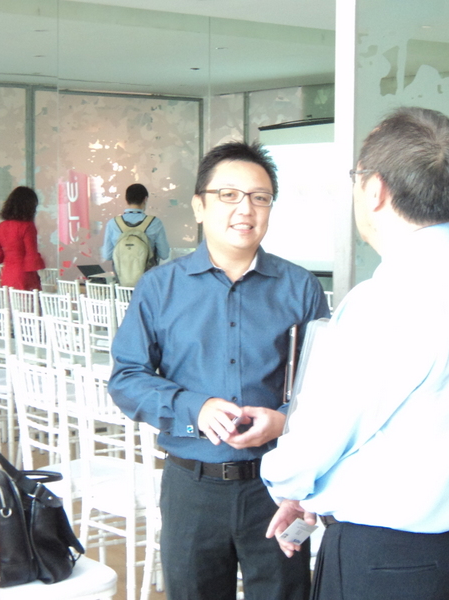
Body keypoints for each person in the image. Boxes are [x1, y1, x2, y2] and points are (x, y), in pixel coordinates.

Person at [261, 107, 449, 600]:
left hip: (385, 560)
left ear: (374, 189)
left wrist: (289, 483)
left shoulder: (389, 298)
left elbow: (321, 433)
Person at [108, 141, 331, 600]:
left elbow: (327, 388)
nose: (245, 209)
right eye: (228, 195)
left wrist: (285, 420)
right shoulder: (159, 288)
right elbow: (126, 377)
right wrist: (196, 407)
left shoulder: (300, 287)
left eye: (260, 197)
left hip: (275, 487)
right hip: (191, 488)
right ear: (199, 205)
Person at [101, 183, 169, 277]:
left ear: (126, 199)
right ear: (145, 199)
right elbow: (164, 254)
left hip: (122, 281)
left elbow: (107, 255)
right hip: (148, 279)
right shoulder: (155, 223)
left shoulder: (113, 223)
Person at [0, 185, 46, 290]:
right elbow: (31, 254)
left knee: (9, 300)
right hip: (24, 274)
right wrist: (40, 265)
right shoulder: (27, 226)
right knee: (30, 300)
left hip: (7, 274)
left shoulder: (1, 226)